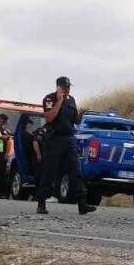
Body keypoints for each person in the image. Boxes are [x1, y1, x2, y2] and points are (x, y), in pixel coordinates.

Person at [36, 76, 95, 215]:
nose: (67, 89)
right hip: (54, 139)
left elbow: (74, 120)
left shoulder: (72, 100)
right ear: (58, 87)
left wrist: (80, 114)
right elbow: (49, 117)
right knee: (49, 171)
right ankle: (41, 203)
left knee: (76, 171)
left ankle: (82, 203)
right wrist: (60, 101)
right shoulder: (49, 99)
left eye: (68, 87)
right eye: (64, 87)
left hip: (69, 139)